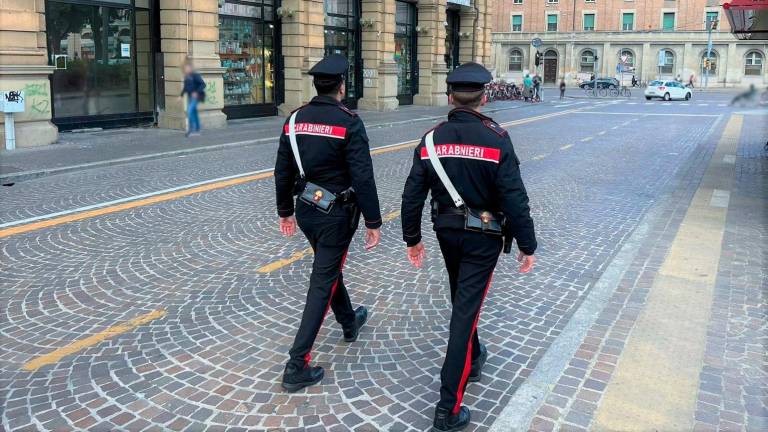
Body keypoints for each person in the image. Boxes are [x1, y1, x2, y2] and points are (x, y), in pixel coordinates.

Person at [400, 62, 537, 431]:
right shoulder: (497, 139)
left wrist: (412, 238)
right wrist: (528, 244)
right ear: (484, 97)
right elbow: (514, 197)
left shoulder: (431, 140)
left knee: (463, 298)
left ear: (449, 97)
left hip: (446, 231)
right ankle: (448, 407)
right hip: (484, 236)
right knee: (464, 312)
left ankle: (473, 358)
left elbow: (412, 194)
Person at [274, 54, 383, 392]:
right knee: (323, 279)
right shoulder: (348, 121)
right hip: (337, 214)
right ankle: (296, 364)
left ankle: (350, 321)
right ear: (342, 86)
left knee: (329, 267)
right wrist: (373, 220)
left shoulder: (294, 121)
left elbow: (282, 171)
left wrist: (285, 212)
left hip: (307, 209)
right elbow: (363, 176)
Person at [179, 61, 206, 137]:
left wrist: (196, 92)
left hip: (196, 97)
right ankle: (197, 129)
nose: (186, 69)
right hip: (190, 97)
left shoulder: (195, 75)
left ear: (190, 68)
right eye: (185, 68)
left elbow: (203, 84)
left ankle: (191, 129)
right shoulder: (186, 76)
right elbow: (185, 87)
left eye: (187, 68)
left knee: (189, 111)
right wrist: (181, 96)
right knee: (194, 113)